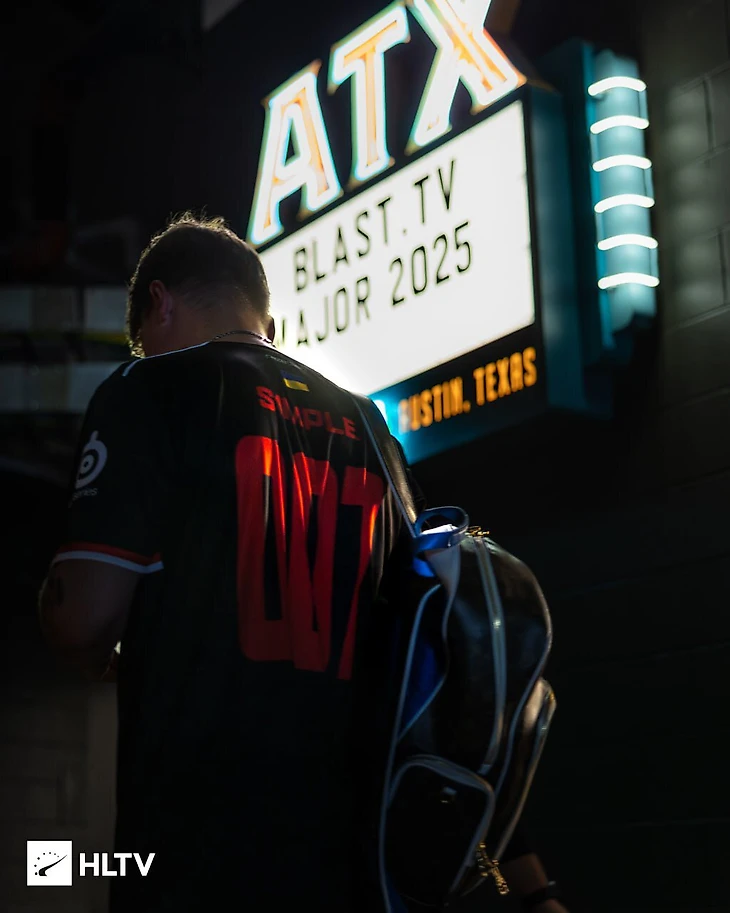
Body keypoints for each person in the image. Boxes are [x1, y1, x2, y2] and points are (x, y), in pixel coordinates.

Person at [38, 213, 567, 912]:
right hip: (350, 867)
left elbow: (82, 620)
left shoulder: (148, 387)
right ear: (269, 322)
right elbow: (439, 659)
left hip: (193, 856)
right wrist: (534, 890)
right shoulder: (371, 428)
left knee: (49, 868)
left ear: (159, 303)